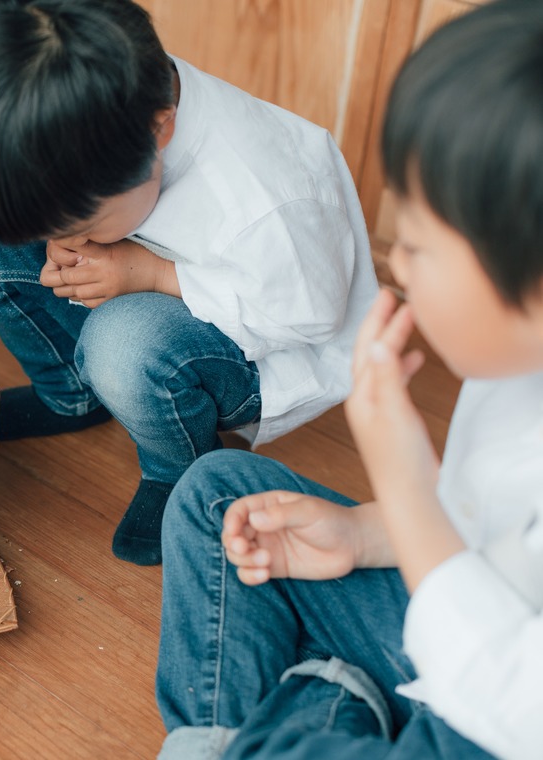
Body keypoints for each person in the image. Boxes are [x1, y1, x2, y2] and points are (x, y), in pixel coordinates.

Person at [155, 0, 543, 756]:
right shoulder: (512, 367)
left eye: (422, 244)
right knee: (218, 500)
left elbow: (518, 702)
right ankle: (293, 716)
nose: (396, 262)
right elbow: (495, 530)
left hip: (501, 714)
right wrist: (362, 534)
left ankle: (310, 708)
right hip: (456, 618)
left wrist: (404, 484)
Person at [0, 0, 378, 565]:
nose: (71, 242)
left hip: (265, 349)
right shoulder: (105, 110)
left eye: (79, 227)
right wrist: (73, 236)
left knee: (119, 340)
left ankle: (179, 469)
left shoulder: (266, 200)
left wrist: (152, 274)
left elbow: (308, 315)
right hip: (156, 285)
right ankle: (72, 396)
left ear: (161, 131)